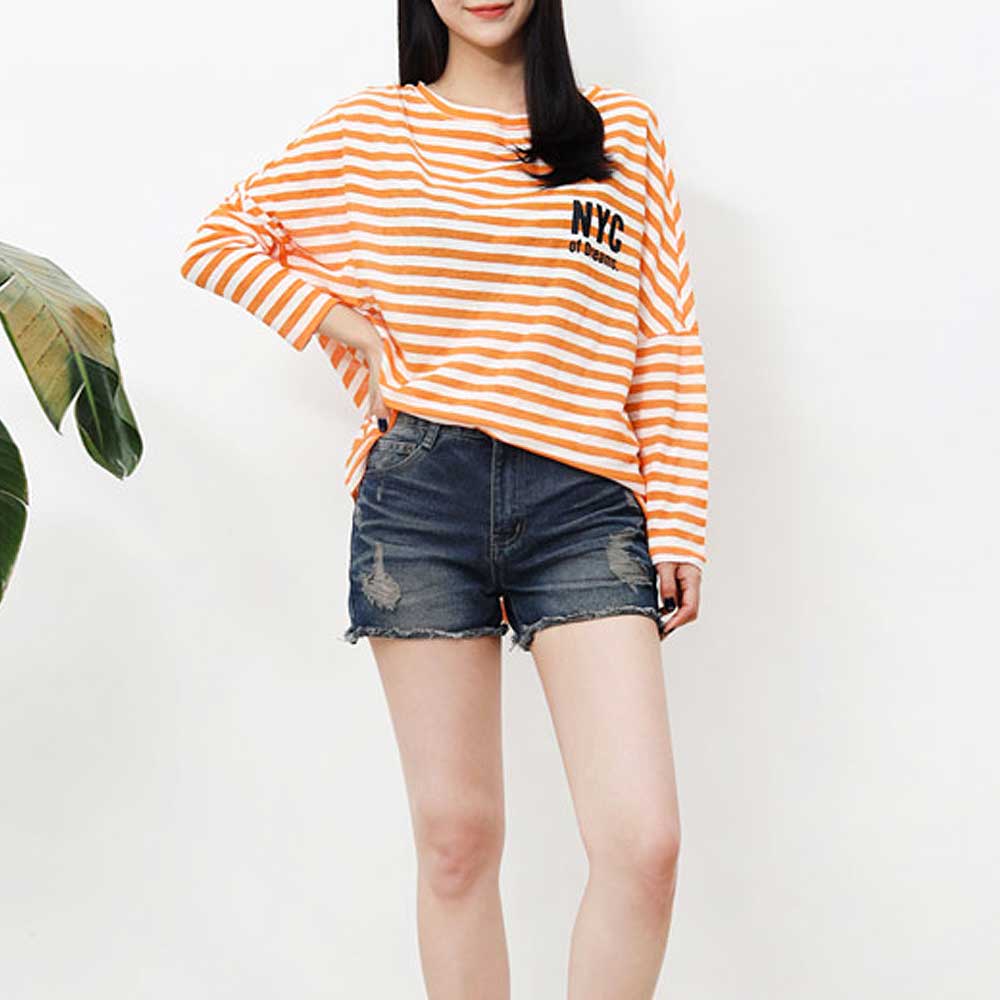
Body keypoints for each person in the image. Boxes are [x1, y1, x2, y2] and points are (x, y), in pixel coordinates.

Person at [179, 1, 709, 995]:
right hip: (422, 498)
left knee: (644, 844)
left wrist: (678, 516)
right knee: (457, 840)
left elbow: (664, 338)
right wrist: (344, 322)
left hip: (585, 503)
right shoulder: (372, 131)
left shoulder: (620, 133)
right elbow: (222, 239)